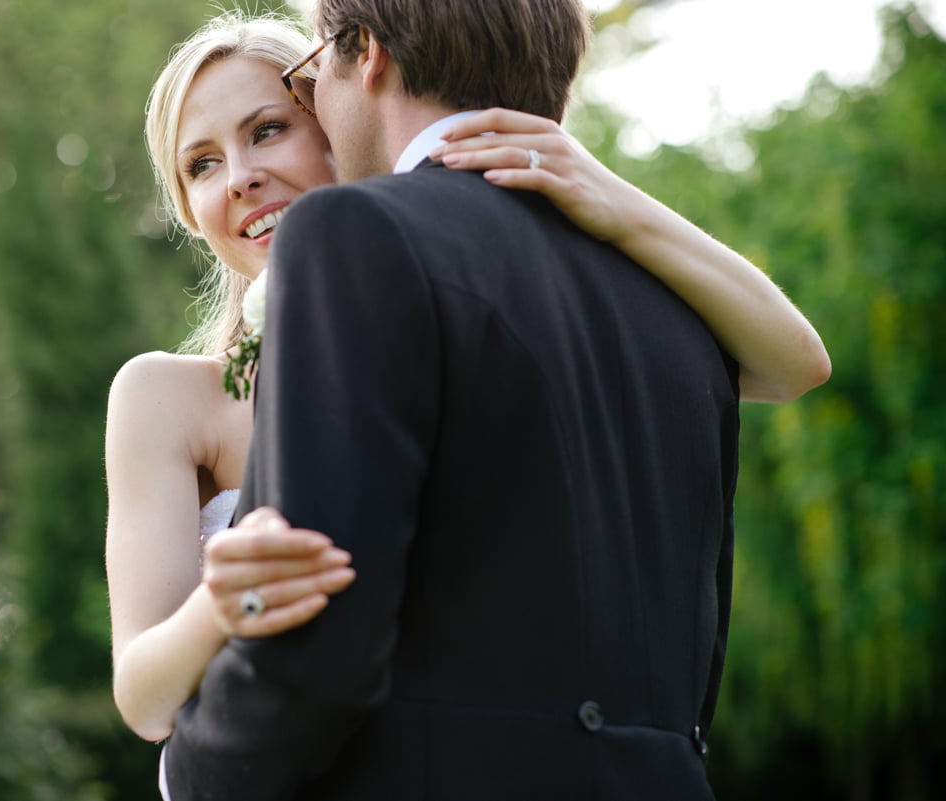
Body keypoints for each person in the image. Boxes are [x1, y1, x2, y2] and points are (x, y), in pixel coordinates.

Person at [105, 6, 829, 790]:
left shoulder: (446, 276)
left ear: (340, 95)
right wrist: (221, 602)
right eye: (200, 164)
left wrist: (614, 195)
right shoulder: (164, 395)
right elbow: (143, 692)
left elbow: (796, 362)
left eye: (270, 129)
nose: (239, 173)